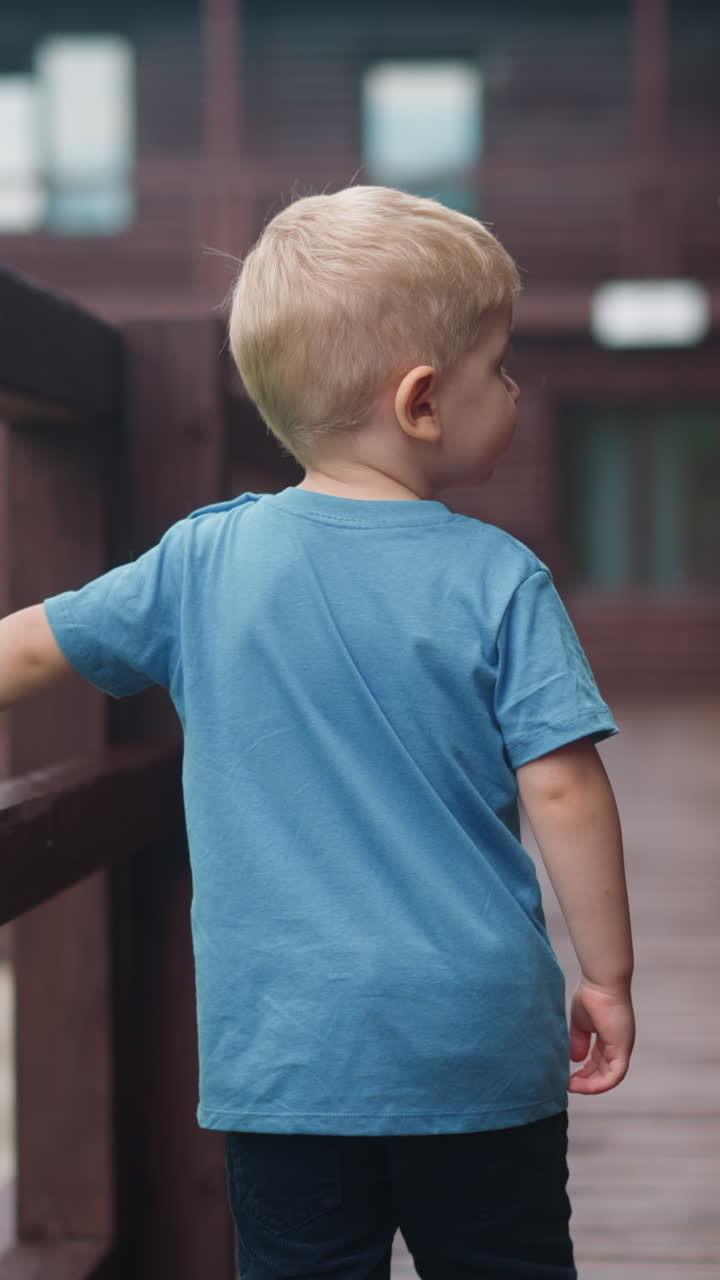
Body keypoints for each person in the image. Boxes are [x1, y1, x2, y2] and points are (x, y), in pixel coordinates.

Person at [0, 186, 634, 1279]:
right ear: (425, 401)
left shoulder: (200, 561)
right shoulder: (498, 577)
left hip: (288, 1054)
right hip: (474, 1042)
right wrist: (610, 974)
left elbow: (27, 649)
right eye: (503, 366)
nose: (518, 389)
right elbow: (565, 787)